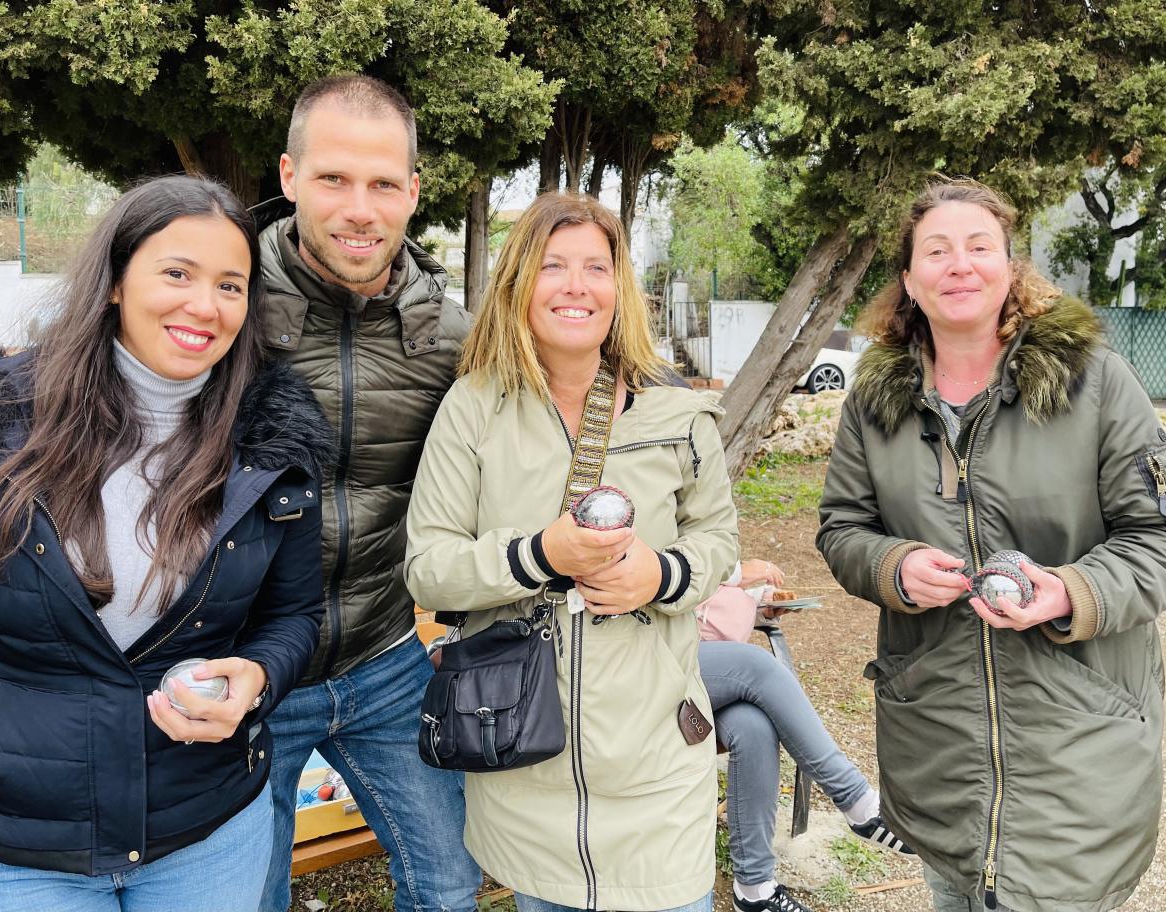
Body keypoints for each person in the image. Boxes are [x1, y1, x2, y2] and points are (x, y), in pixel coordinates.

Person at [0, 175, 331, 912]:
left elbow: (295, 618)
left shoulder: (271, 446)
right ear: (114, 281)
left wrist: (256, 680)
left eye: (231, 285)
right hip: (21, 839)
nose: (205, 306)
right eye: (176, 273)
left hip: (209, 828)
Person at [816, 177, 1166, 912]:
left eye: (980, 247)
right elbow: (842, 527)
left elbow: (1155, 536)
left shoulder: (1095, 382)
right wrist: (893, 566)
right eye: (936, 251)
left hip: (1080, 744)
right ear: (909, 278)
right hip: (937, 746)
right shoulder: (874, 403)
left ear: (1012, 268)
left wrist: (1073, 591)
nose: (959, 265)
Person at [405, 191, 739, 912]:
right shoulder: (475, 406)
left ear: (620, 288)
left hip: (656, 767)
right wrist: (539, 555)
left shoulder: (674, 411)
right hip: (525, 761)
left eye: (597, 266)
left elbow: (717, 539)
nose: (577, 286)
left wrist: (661, 574)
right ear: (520, 281)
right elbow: (429, 566)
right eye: (553, 265)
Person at [252, 75, 480, 912]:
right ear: (288, 176)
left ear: (414, 192)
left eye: (384, 183)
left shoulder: (449, 336)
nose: (361, 208)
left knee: (449, 887)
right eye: (334, 179)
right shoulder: (223, 311)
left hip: (386, 659)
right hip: (253, 675)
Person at [697, 559, 913, 912]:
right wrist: (734, 572)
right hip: (644, 665)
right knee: (757, 666)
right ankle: (856, 800)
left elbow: (705, 602)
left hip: (703, 672)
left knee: (752, 726)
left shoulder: (706, 514)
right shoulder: (644, 510)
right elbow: (668, 575)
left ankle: (754, 891)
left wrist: (753, 601)